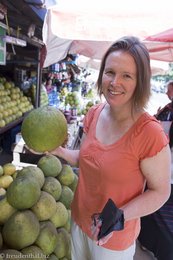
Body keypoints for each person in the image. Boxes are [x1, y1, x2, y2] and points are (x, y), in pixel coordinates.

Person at [44, 36, 171, 260]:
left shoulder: (149, 133)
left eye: (126, 76)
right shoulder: (94, 113)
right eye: (110, 72)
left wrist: (121, 216)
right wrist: (60, 151)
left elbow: (161, 191)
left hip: (114, 240)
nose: (114, 82)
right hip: (79, 223)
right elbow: (86, 158)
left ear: (140, 81)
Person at [138, 80, 173, 260]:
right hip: (163, 172)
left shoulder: (166, 112)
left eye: (169, 91)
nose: (167, 94)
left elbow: (160, 138)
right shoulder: (165, 111)